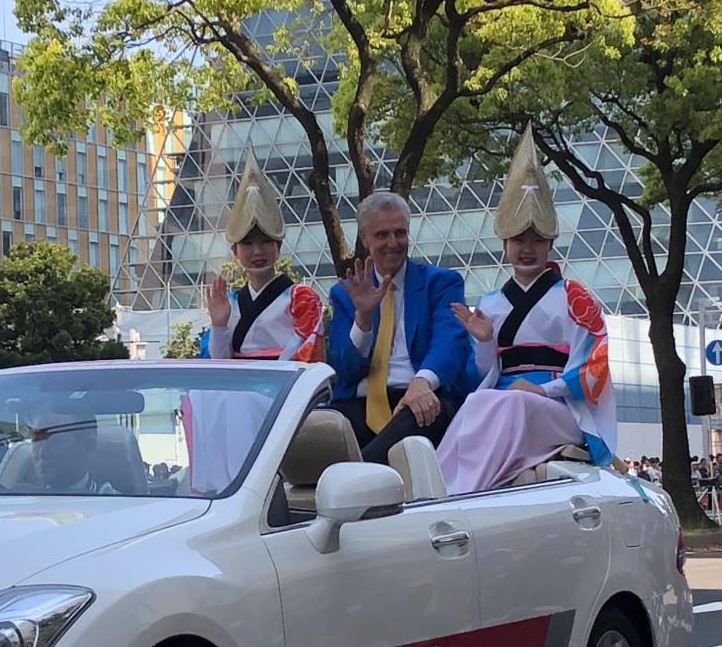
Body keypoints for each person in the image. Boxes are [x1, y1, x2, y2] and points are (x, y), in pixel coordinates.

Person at [436, 124, 617, 494]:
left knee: (513, 406)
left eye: (537, 239)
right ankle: (433, 486)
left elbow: (593, 366)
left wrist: (544, 391)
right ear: (505, 242)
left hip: (559, 408)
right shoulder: (490, 304)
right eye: (519, 239)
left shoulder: (574, 297)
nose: (527, 248)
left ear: (551, 243)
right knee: (474, 404)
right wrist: (486, 342)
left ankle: (465, 491)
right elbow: (487, 373)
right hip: (505, 397)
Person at [329, 192, 470, 464]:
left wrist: (422, 382)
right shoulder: (345, 293)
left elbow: (450, 342)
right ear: (364, 238)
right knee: (315, 426)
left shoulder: (441, 283)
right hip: (360, 403)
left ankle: (353, 479)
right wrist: (363, 319)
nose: (393, 243)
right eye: (382, 235)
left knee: (423, 410)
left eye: (400, 233)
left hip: (422, 394)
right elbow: (343, 370)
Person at [202, 151, 323, 362]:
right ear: (235, 251)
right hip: (240, 388)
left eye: (266, 241)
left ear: (278, 245)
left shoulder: (301, 298)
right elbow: (218, 362)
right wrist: (219, 324)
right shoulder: (230, 302)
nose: (257, 251)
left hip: (284, 388)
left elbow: (305, 352)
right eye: (247, 243)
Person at [31, 405, 117, 495]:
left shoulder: (117, 504)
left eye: (56, 441)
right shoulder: (20, 501)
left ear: (89, 447)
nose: (42, 453)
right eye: (37, 440)